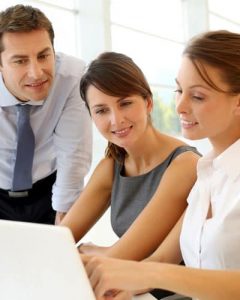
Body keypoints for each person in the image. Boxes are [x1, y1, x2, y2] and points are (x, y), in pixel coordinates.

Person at [83, 30, 240, 300]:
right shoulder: (208, 171)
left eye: (198, 96)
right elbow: (166, 256)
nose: (179, 105)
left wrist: (146, 275)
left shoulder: (188, 164)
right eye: (179, 90)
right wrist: (125, 286)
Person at [61, 51, 200, 297]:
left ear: (148, 102)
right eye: (102, 110)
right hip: (125, 287)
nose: (116, 120)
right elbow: (60, 239)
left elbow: (122, 256)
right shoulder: (111, 166)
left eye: (125, 103)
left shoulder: (184, 165)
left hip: (174, 291)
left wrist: (93, 252)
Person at [0, 4, 92, 225]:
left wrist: (64, 213)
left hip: (49, 192)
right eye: (20, 61)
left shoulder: (72, 76)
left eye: (43, 56)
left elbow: (73, 152)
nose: (36, 72)